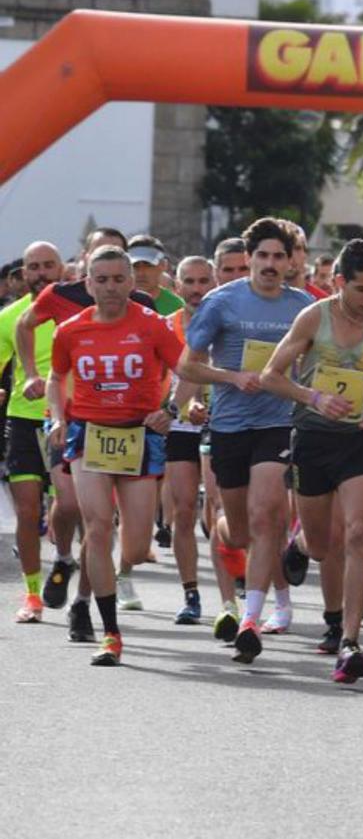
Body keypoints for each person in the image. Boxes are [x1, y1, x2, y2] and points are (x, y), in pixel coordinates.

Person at [262, 239, 363, 683]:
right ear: (338, 283)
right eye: (362, 290)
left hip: (359, 439)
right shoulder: (314, 317)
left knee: (358, 535)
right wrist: (312, 395)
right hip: (312, 438)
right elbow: (270, 376)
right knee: (321, 543)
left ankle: (350, 639)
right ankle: (296, 546)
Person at [176, 217, 314, 664]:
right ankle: (217, 527)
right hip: (230, 423)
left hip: (276, 423)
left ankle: (252, 619)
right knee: (237, 532)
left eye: (279, 257)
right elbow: (188, 366)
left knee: (267, 514)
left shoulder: (303, 305)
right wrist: (232, 376)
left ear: (290, 261)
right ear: (249, 259)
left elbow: (319, 358)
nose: (271, 265)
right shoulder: (221, 302)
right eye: (263, 257)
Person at [46, 246, 184, 665]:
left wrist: (172, 410)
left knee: (137, 544)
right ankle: (109, 632)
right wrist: (57, 418)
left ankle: (99, 581)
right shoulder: (70, 330)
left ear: (131, 282)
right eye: (100, 280)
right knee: (99, 525)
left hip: (140, 436)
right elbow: (57, 377)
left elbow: (186, 370)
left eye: (117, 279)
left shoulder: (153, 326)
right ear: (87, 284)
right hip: (89, 434)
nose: (109, 288)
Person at [0, 241, 78, 625]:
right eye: (34, 267)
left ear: (62, 269)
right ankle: (32, 594)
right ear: (22, 275)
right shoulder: (9, 317)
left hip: (69, 419)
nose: (41, 273)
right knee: (27, 510)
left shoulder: (78, 312)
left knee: (68, 507)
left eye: (49, 265)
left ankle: (63, 558)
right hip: (23, 417)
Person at [162, 256, 217, 625]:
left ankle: (239, 581)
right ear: (177, 286)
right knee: (183, 510)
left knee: (219, 509)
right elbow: (163, 378)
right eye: (190, 282)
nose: (197, 289)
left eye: (204, 281)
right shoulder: (164, 327)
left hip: (222, 424)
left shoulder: (226, 322)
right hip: (179, 427)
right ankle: (191, 593)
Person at [128, 234, 185, 315]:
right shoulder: (117, 303)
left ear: (163, 265)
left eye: (148, 265)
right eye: (135, 265)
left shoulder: (177, 307)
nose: (141, 273)